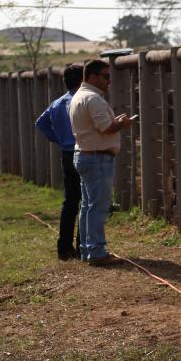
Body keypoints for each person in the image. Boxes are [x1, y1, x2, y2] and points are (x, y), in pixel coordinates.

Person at [68, 60, 133, 266]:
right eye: (106, 76)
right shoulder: (93, 98)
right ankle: (96, 252)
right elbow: (106, 128)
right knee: (98, 207)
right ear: (92, 77)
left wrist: (116, 122)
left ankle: (88, 250)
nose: (109, 81)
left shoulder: (79, 96)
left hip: (85, 155)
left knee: (88, 206)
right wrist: (121, 124)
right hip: (97, 158)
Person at [35, 64, 84, 261]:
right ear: (82, 80)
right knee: (87, 201)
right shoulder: (82, 101)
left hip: (66, 153)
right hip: (83, 152)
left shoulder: (57, 103)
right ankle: (84, 245)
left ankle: (64, 247)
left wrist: (58, 138)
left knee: (70, 201)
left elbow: (40, 123)